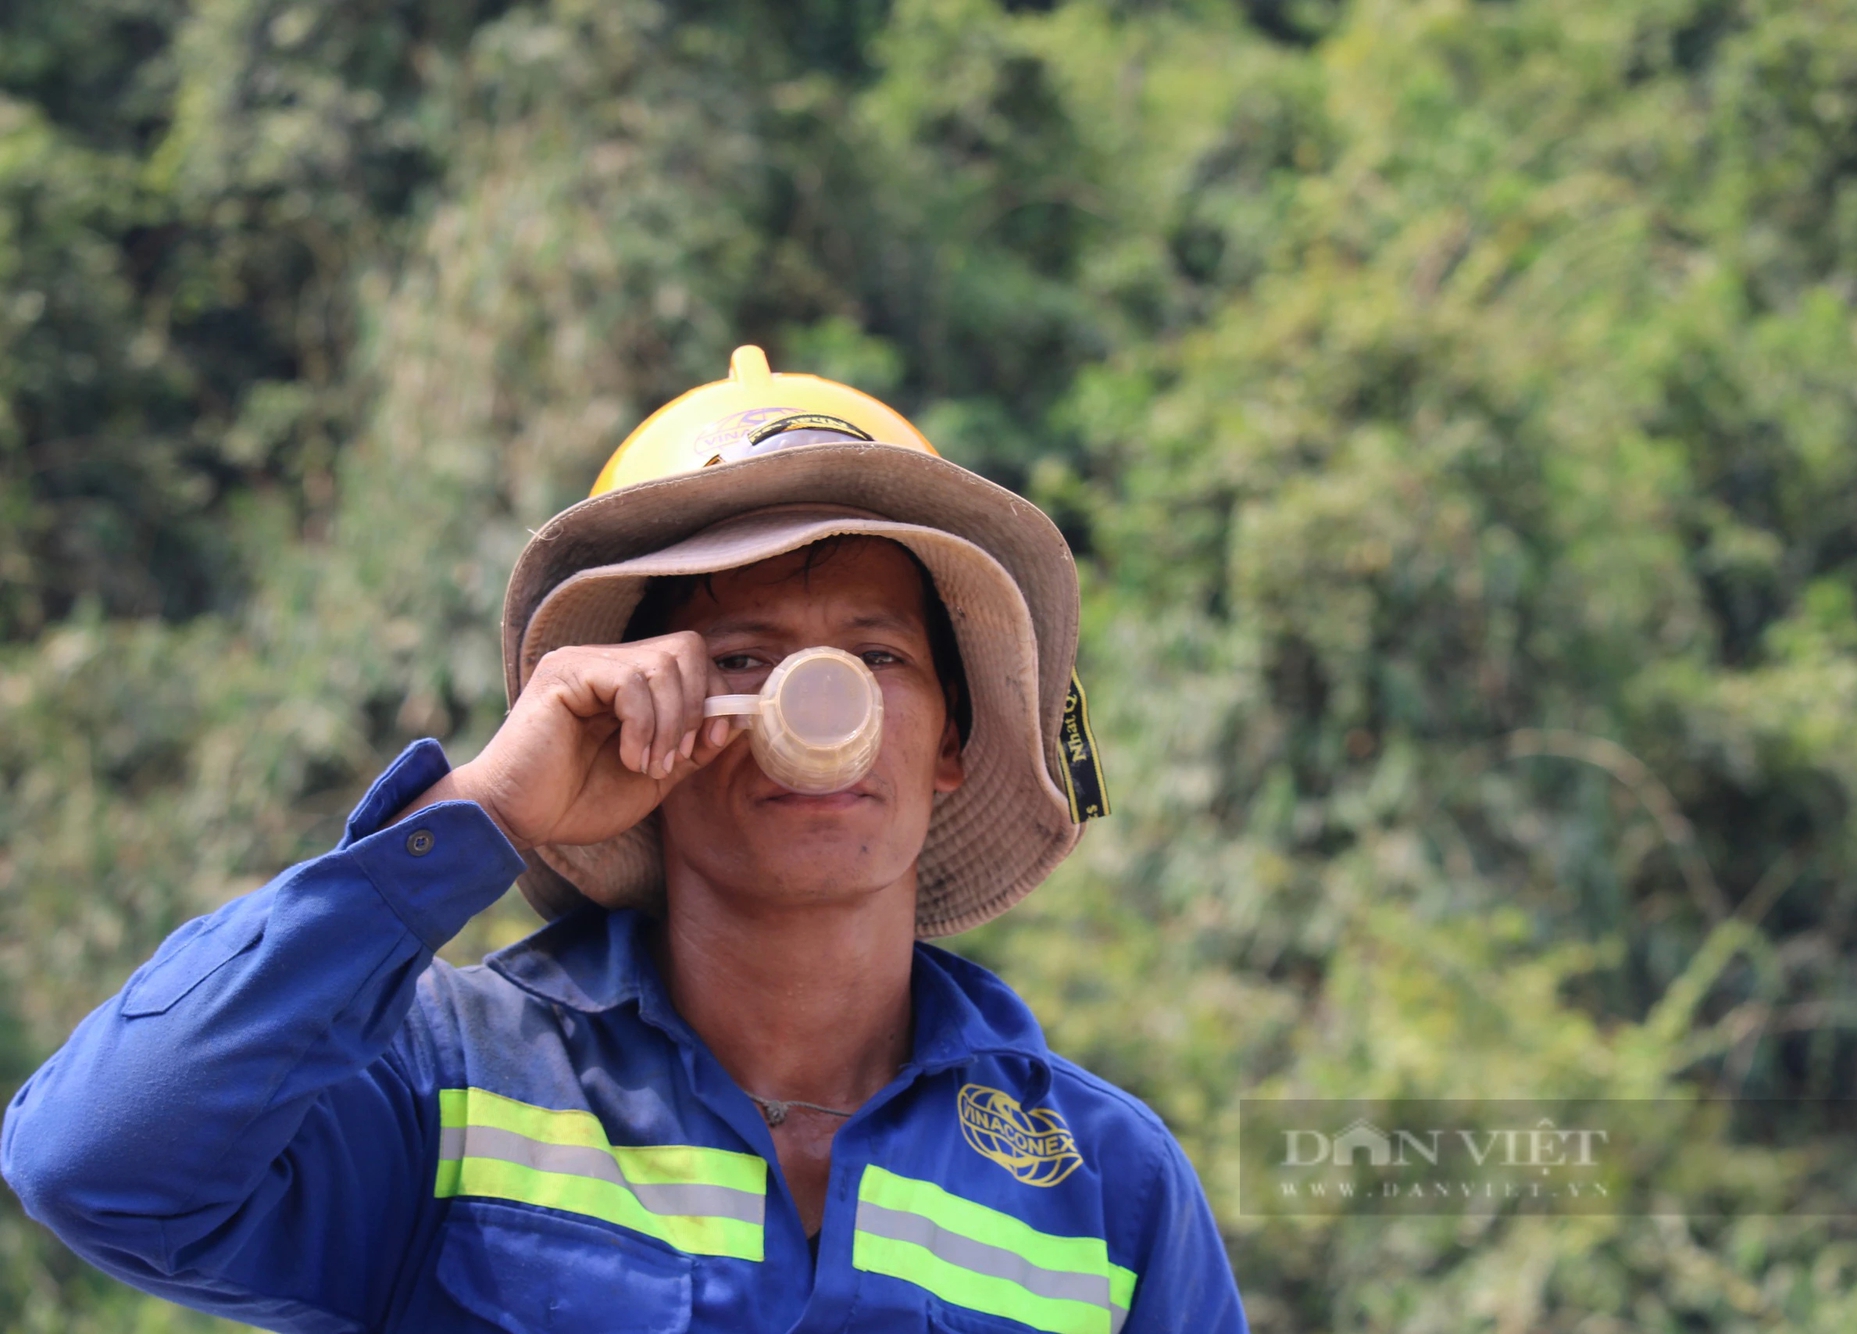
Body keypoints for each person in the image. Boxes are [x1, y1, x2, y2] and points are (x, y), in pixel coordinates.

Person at [2, 347, 1247, 1333]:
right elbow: (92, 1161)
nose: (818, 707)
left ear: (952, 744)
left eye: (874, 657)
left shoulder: (1101, 1184)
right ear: (641, 719)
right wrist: (483, 807)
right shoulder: (444, 1085)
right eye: (740, 661)